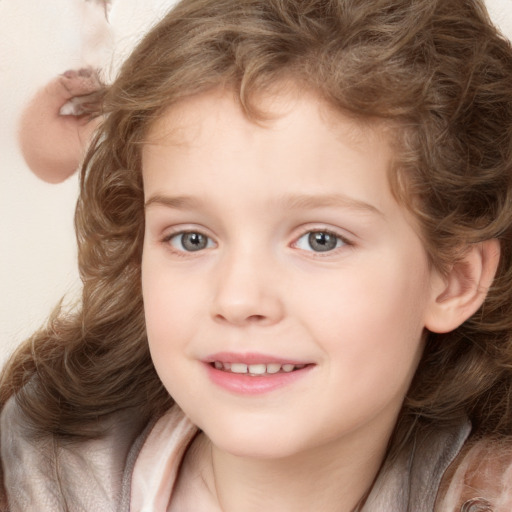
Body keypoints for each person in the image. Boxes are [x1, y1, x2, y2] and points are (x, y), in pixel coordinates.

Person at [2, 0, 512, 510]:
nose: (239, 298)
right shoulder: (31, 480)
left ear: (454, 280)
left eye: (320, 240)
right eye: (191, 238)